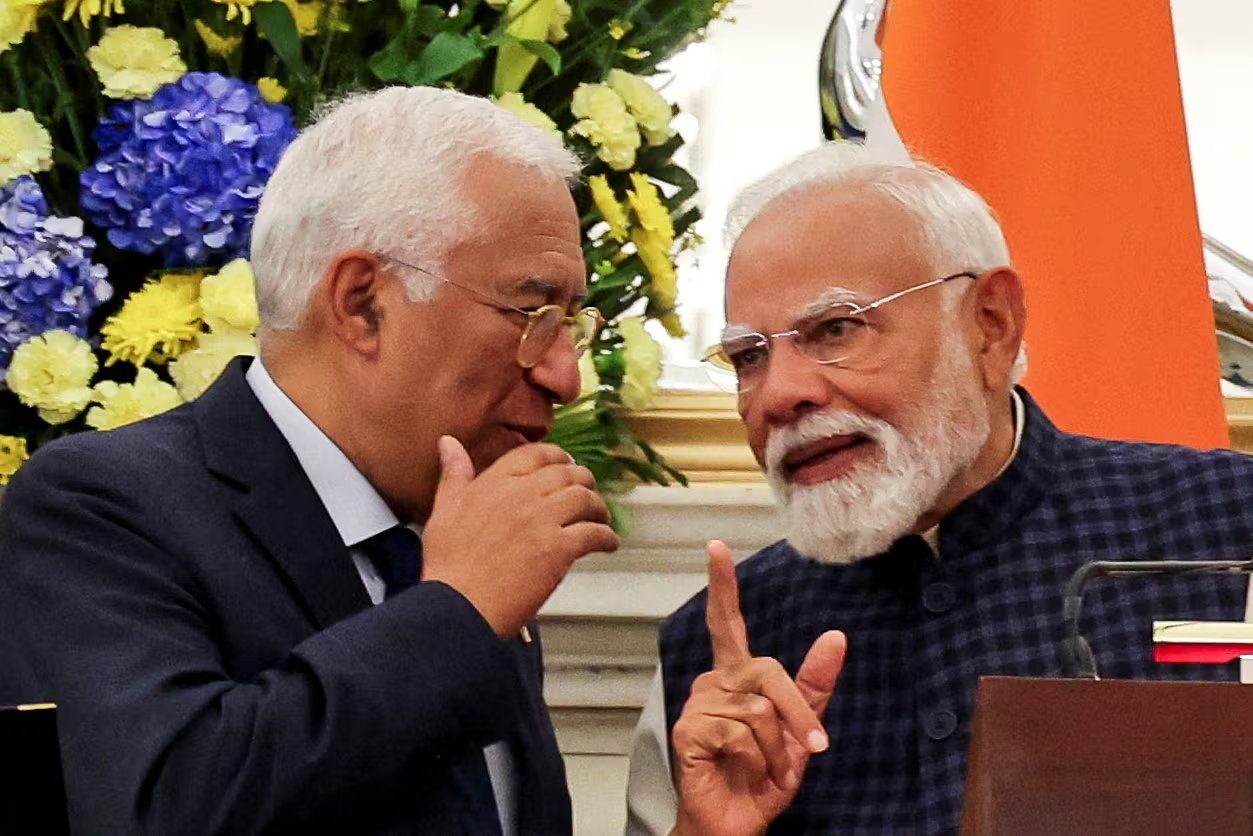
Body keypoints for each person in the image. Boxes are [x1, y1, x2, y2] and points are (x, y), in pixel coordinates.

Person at [0, 86, 621, 834]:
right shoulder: (99, 508)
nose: (564, 375)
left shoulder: (457, 539)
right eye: (532, 314)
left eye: (571, 325)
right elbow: (158, 805)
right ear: (363, 304)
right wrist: (455, 611)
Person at [624, 141, 1253, 835]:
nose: (779, 394)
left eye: (835, 329)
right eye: (749, 356)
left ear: (990, 326)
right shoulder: (718, 650)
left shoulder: (1225, 525)